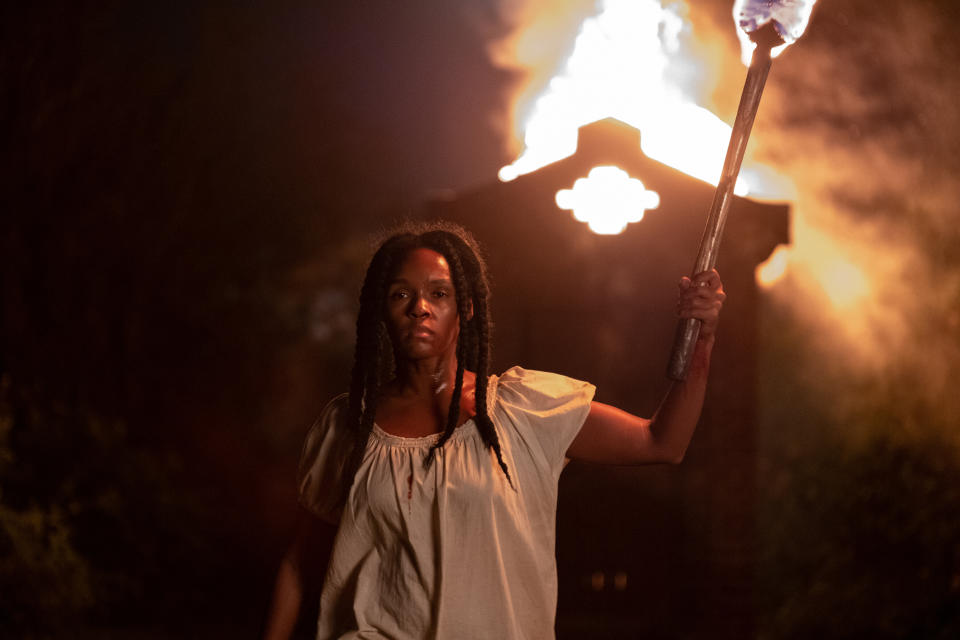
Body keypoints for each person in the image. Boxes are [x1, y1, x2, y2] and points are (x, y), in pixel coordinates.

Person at [263, 221, 725, 640]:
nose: (420, 308)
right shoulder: (350, 425)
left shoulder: (525, 411)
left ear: (464, 307)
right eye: (401, 294)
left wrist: (702, 337)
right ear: (382, 310)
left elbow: (663, 442)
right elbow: (301, 565)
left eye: (438, 294)